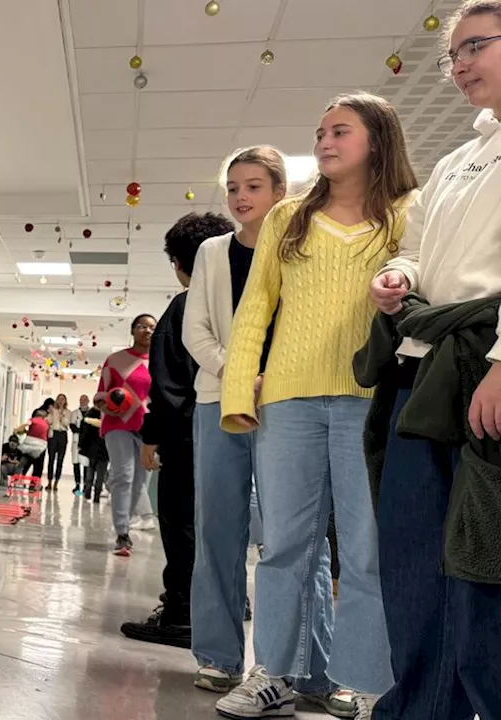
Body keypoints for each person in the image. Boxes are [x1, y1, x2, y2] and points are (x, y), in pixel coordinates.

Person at [215, 93, 418, 720]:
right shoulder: (287, 218)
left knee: (365, 548)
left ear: (378, 140)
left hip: (372, 399)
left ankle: (360, 679)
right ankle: (272, 673)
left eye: (340, 131)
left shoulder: (408, 213)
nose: (325, 141)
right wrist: (238, 391)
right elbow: (255, 310)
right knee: (284, 547)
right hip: (289, 401)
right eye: (320, 132)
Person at [364, 4, 501, 717]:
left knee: (482, 566)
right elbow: (414, 248)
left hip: (486, 368)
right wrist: (401, 277)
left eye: (475, 45)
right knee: (415, 559)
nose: (459, 66)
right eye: (453, 54)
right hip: (425, 368)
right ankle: (420, 706)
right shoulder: (457, 160)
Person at [183, 146, 286, 693]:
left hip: (287, 402)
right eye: (234, 188)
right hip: (216, 400)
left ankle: (286, 662)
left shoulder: (298, 248)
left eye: (254, 187)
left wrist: (275, 381)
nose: (241, 197)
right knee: (218, 529)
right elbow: (195, 329)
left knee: (289, 536)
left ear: (279, 193)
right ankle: (219, 655)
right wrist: (239, 374)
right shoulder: (211, 253)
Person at [122, 212, 236, 650]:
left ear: (180, 263)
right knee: (224, 526)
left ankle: (181, 614)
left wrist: (152, 438)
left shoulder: (184, 307)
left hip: (189, 436)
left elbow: (169, 385)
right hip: (239, 430)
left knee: (181, 522)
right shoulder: (243, 301)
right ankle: (221, 607)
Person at [95, 315, 155, 557]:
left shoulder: (161, 361)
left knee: (140, 482)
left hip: (148, 428)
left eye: (152, 327)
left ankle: (126, 523)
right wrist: (105, 406)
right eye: (142, 326)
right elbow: (100, 395)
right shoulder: (116, 360)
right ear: (133, 330)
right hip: (117, 424)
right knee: (123, 476)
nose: (147, 331)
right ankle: (122, 533)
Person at [77, 397, 108, 502]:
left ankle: (88, 492)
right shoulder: (108, 416)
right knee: (100, 474)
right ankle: (96, 496)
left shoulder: (89, 415)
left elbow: (84, 433)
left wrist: (81, 445)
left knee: (90, 471)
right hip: (104, 449)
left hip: (92, 449)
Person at [46, 393, 74, 490]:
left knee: (60, 460)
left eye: (63, 399)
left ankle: (56, 483)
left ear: (65, 401)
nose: (61, 401)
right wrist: (51, 413)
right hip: (53, 434)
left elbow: (66, 423)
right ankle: (49, 481)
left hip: (62, 435)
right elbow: (48, 421)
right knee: (51, 459)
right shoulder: (53, 410)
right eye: (59, 399)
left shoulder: (68, 412)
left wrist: (61, 414)